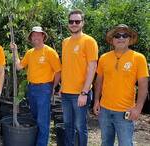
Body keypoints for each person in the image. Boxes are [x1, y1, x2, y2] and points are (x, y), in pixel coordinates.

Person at [93, 24, 149, 146]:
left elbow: (143, 85)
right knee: (105, 142)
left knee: (125, 143)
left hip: (125, 112)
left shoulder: (139, 58)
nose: (121, 38)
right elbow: (99, 81)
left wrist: (138, 108)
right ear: (112, 39)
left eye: (125, 35)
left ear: (129, 39)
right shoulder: (104, 58)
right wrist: (96, 100)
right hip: (105, 110)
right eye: (117, 35)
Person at [10, 26, 61, 146]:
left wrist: (53, 87)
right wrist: (15, 51)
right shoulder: (30, 53)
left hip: (44, 88)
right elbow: (19, 66)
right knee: (34, 117)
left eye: (39, 35)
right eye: (34, 35)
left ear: (43, 36)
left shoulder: (50, 52)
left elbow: (58, 71)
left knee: (43, 120)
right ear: (31, 38)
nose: (36, 37)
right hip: (31, 88)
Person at [60, 9, 98, 146]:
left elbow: (92, 68)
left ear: (83, 23)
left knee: (80, 127)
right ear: (68, 24)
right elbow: (67, 66)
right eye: (71, 21)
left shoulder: (89, 41)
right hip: (66, 93)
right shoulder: (65, 42)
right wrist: (62, 86)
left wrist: (84, 92)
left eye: (77, 21)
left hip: (80, 94)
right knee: (68, 125)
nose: (74, 24)